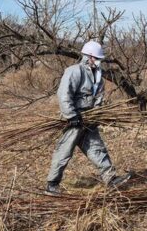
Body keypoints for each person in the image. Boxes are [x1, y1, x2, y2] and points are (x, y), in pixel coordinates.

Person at [44, 40, 131, 196]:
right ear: (89, 56)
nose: (98, 61)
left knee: (97, 147)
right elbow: (64, 94)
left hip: (88, 119)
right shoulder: (74, 71)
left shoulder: (98, 76)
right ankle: (52, 184)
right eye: (96, 58)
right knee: (64, 151)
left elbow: (98, 96)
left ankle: (110, 178)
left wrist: (96, 114)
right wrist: (71, 115)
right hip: (74, 120)